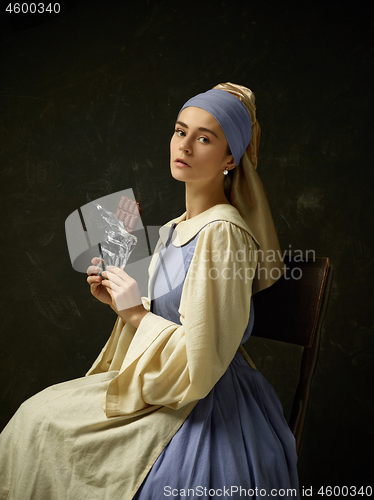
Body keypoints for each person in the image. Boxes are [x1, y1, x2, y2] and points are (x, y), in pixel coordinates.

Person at [0, 83, 299, 499]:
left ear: (231, 158)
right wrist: (123, 305)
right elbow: (174, 316)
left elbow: (204, 356)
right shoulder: (176, 228)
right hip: (171, 384)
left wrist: (137, 315)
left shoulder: (223, 234)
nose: (186, 146)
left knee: (43, 426)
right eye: (181, 131)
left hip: (205, 399)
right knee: (36, 417)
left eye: (205, 137)